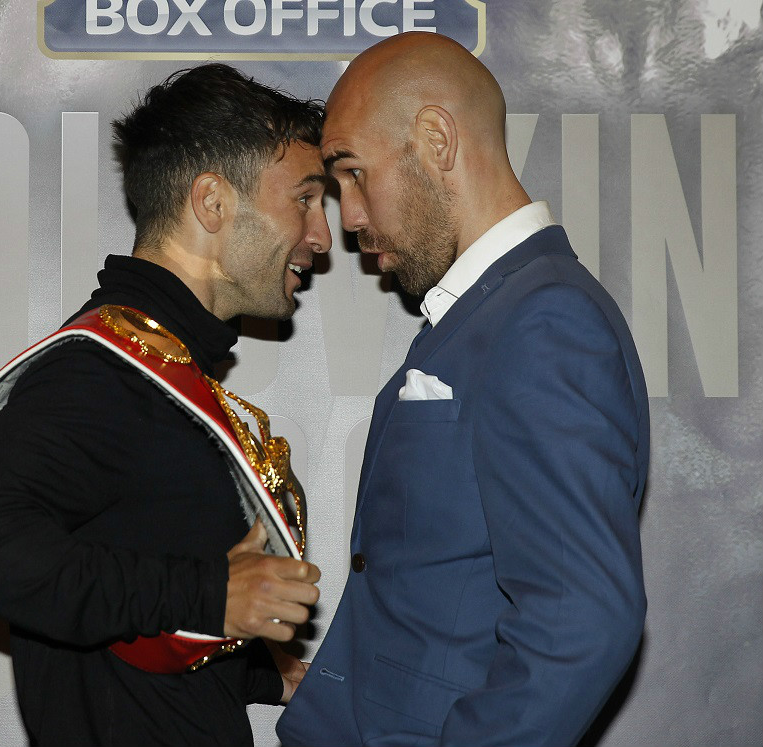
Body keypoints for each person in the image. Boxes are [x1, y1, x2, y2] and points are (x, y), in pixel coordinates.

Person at [0, 63, 330, 746]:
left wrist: (265, 672)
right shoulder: (101, 376)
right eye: (305, 198)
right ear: (213, 202)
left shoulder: (161, 370)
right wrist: (206, 595)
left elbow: (127, 628)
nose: (320, 235)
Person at [277, 32, 649, 747]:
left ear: (436, 139)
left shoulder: (544, 320)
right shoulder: (493, 310)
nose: (347, 218)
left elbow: (580, 617)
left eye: (352, 173)